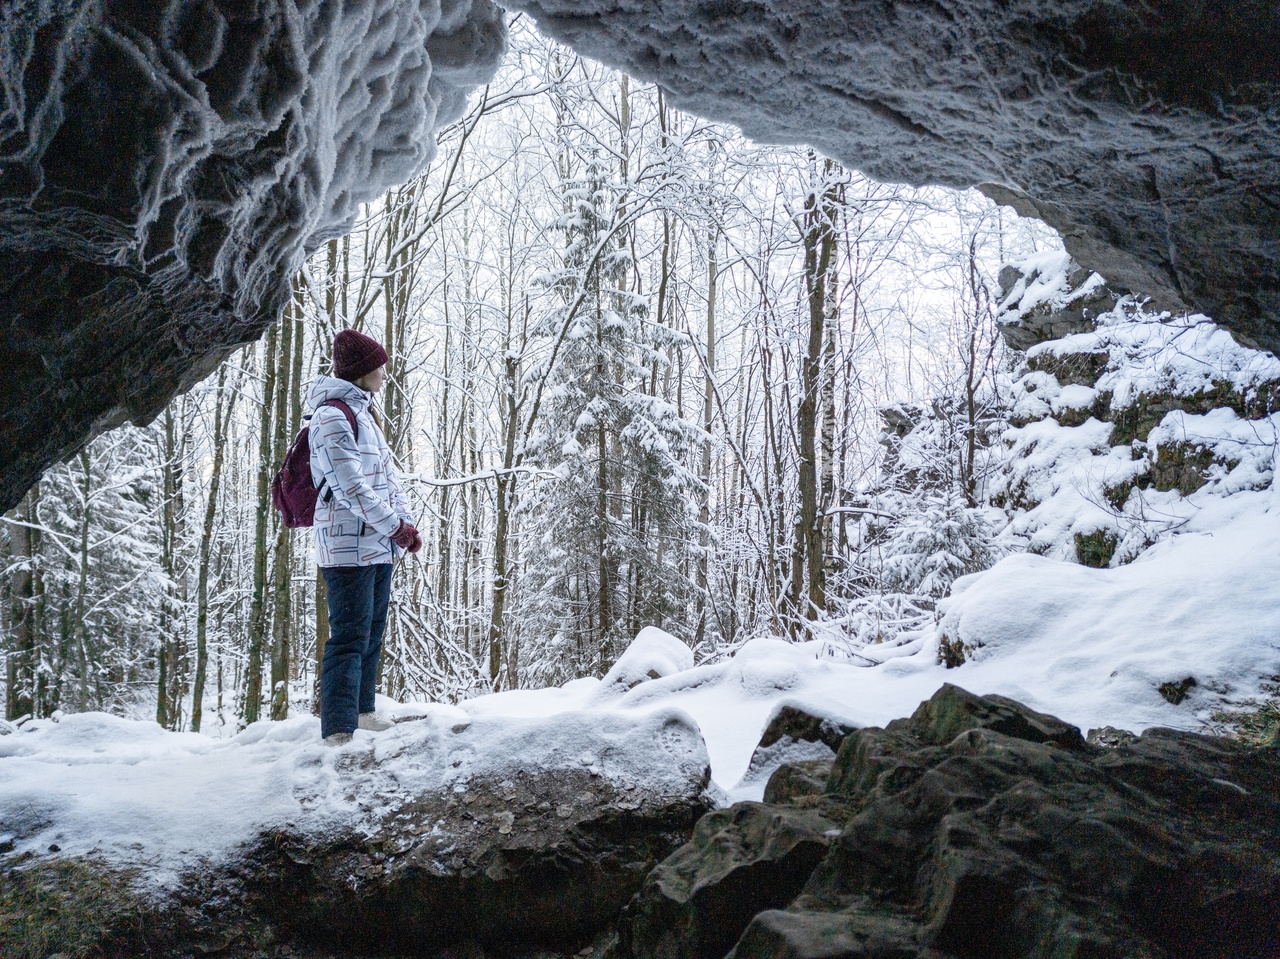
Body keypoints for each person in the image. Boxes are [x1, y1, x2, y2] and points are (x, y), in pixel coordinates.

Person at [307, 329, 422, 746]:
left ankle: (361, 710)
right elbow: (350, 486)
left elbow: (388, 480)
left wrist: (404, 525)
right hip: (344, 547)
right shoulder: (330, 416)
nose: (384, 374)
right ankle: (337, 729)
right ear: (360, 371)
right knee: (349, 636)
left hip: (377, 545)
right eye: (378, 367)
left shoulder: (365, 415)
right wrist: (395, 527)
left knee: (372, 632)